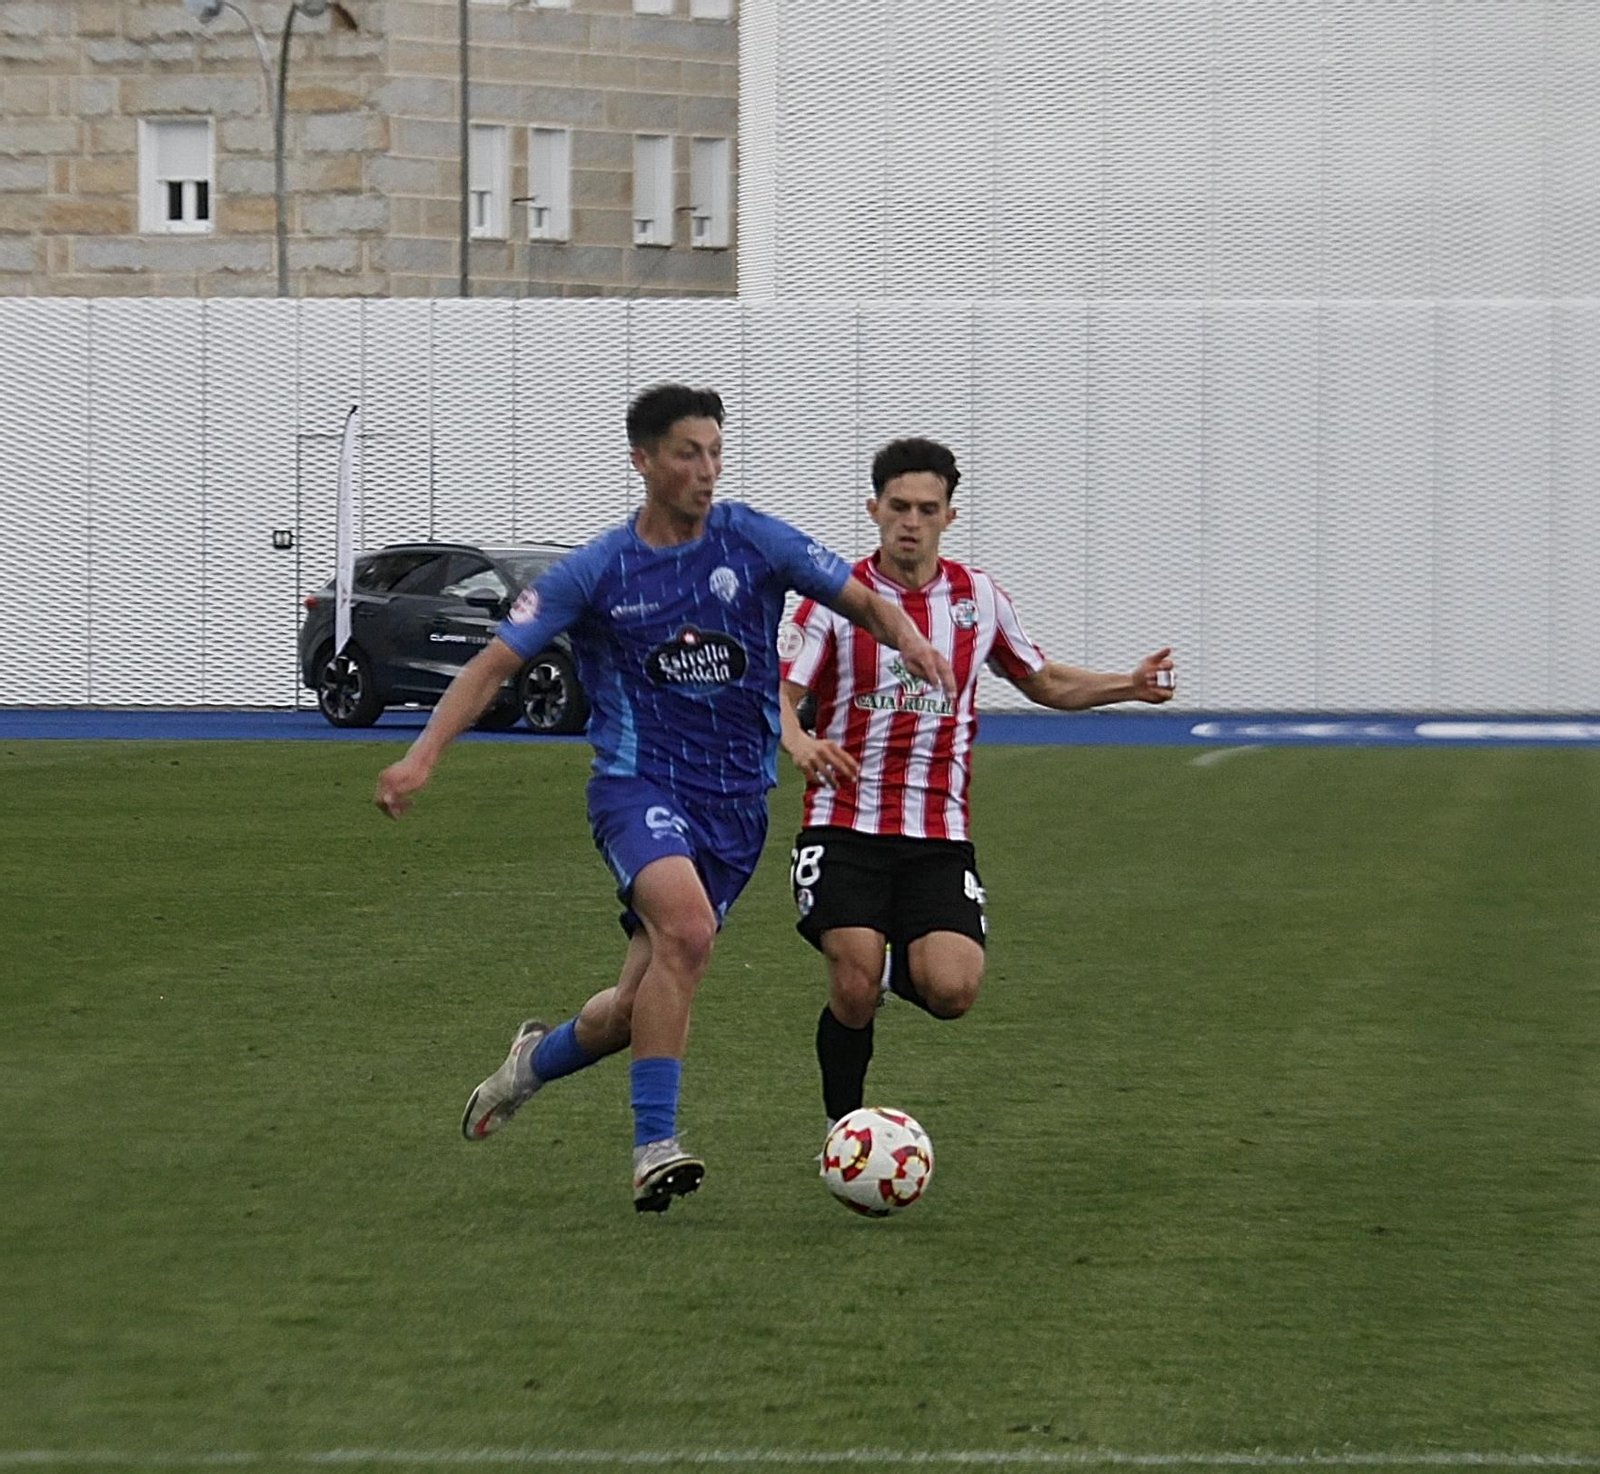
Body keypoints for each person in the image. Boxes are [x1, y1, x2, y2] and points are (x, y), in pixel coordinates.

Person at [373, 387, 956, 1213]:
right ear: (642, 459)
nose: (707, 470)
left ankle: (530, 1064)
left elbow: (857, 597)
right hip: (636, 787)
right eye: (688, 452)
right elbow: (494, 664)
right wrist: (421, 757)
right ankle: (655, 1146)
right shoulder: (598, 568)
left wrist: (908, 636)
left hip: (736, 808)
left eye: (716, 451)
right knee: (686, 929)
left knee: (630, 1007)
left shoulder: (751, 538)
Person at [776, 436, 1175, 1134]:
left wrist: (1130, 685)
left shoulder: (978, 598)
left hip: (938, 836)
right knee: (853, 978)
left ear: (950, 517)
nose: (911, 521)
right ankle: (846, 1133)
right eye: (898, 506)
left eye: (928, 508)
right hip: (843, 825)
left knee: (954, 990)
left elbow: (1042, 679)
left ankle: (888, 973)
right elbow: (778, 692)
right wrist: (801, 741)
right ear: (872, 509)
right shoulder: (835, 599)